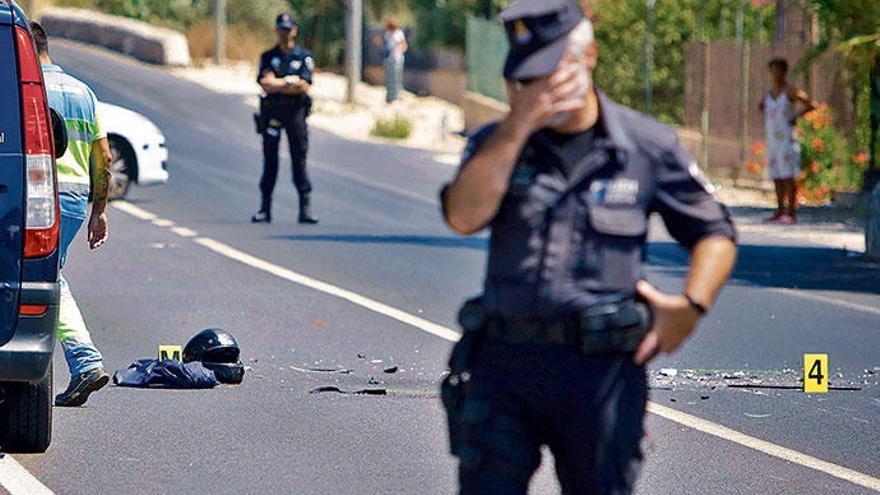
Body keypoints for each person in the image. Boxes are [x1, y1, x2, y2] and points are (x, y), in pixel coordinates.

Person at [439, 1, 738, 493]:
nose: (540, 88)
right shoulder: (497, 144)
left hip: (600, 374)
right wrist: (518, 126)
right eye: (527, 78)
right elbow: (463, 217)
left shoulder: (646, 146)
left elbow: (715, 232)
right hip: (504, 364)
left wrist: (691, 307)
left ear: (589, 57)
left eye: (551, 71)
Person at [32, 22, 112, 407]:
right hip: (78, 200)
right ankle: (84, 365)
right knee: (51, 274)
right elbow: (105, 157)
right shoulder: (84, 92)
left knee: (46, 278)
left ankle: (85, 362)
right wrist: (100, 211)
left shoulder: (31, 87)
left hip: (42, 197)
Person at [252, 13, 318, 225]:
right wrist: (288, 83)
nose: (284, 33)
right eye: (281, 29)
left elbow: (305, 85)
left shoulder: (303, 56)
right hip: (272, 112)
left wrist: (279, 83)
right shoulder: (269, 56)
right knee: (270, 160)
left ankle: (305, 209)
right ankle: (265, 208)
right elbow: (265, 82)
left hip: (295, 112)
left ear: (294, 31)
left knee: (299, 159)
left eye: (288, 29)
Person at [759, 57, 816, 225]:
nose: (775, 74)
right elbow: (762, 107)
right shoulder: (768, 94)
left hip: (787, 139)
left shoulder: (791, 92)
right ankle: (779, 209)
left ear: (784, 71)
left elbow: (811, 104)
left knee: (788, 175)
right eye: (772, 70)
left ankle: (791, 211)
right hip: (773, 139)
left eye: (778, 70)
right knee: (776, 174)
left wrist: (796, 117)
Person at [379, 18, 407, 103]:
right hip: (389, 58)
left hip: (397, 58)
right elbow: (386, 45)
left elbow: (403, 45)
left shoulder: (399, 33)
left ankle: (396, 96)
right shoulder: (387, 34)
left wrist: (398, 51)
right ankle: (389, 97)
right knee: (389, 78)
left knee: (396, 77)